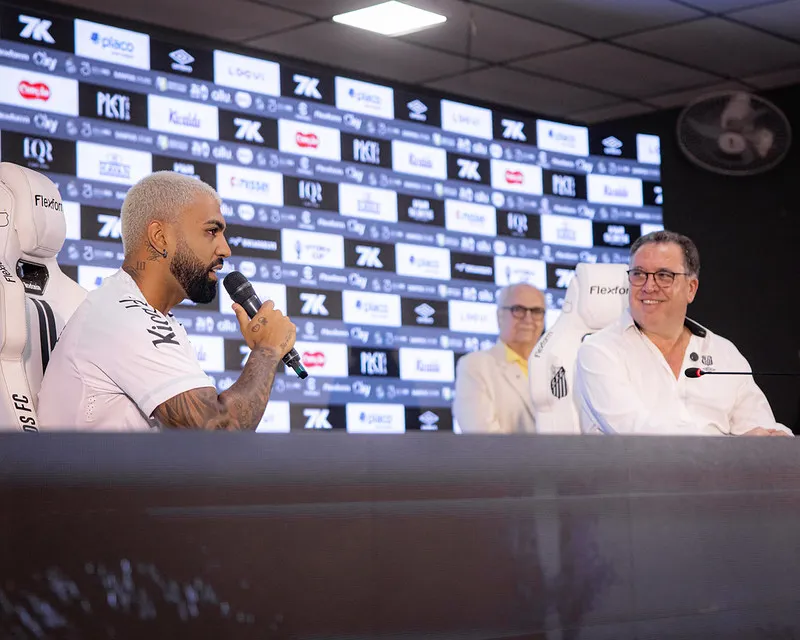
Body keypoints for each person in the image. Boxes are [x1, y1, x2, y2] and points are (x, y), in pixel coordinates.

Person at [37, 171, 296, 431]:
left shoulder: (145, 314)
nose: (225, 249)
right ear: (160, 237)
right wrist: (267, 350)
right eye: (211, 231)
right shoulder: (125, 317)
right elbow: (218, 432)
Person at [575, 230, 791, 436]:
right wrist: (735, 448)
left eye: (664, 275)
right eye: (639, 274)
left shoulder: (723, 353)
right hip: (638, 475)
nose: (649, 286)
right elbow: (639, 436)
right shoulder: (599, 351)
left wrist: (775, 438)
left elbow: (759, 425)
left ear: (691, 288)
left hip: (725, 474)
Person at [453, 283, 546, 433]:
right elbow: (482, 438)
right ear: (500, 316)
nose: (528, 318)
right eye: (518, 310)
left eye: (536, 311)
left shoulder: (558, 368)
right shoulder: (475, 366)